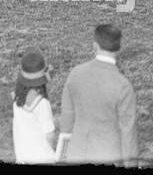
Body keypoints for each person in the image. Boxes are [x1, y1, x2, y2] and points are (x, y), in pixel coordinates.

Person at [57, 23, 139, 166]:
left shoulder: (76, 73)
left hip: (77, 153)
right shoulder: (123, 86)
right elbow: (128, 134)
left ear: (95, 45)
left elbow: (67, 119)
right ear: (119, 47)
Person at [11, 50, 58, 163]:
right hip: (43, 159)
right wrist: (57, 151)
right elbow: (50, 136)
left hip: (23, 157)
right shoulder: (42, 104)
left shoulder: (17, 98)